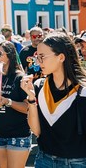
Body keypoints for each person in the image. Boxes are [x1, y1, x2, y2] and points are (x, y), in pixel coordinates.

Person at [20, 33, 86, 167]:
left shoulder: (82, 91)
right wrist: (31, 99)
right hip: (44, 159)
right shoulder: (39, 86)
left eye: (42, 57)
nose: (38, 62)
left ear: (61, 57)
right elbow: (37, 131)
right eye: (36, 57)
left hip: (76, 162)